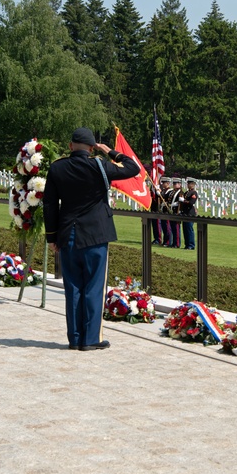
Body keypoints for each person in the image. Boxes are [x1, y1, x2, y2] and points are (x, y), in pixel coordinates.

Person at [45, 127, 140, 351]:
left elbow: (49, 204)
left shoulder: (57, 167)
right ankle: (90, 339)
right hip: (96, 235)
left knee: (73, 289)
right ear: (91, 147)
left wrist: (52, 236)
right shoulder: (100, 166)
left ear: (70, 146)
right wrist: (111, 152)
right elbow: (133, 168)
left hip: (67, 234)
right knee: (94, 288)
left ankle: (75, 338)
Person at [179, 178, 199, 250]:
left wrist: (183, 200)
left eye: (189, 184)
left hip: (190, 213)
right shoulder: (186, 193)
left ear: (193, 184)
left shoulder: (194, 193)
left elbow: (191, 202)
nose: (188, 185)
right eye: (188, 184)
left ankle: (191, 245)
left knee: (189, 229)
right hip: (185, 213)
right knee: (185, 229)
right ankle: (187, 244)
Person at [165, 178, 183, 248]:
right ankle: (173, 243)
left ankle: (177, 243)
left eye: (176, 184)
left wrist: (174, 204)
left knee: (176, 229)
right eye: (174, 184)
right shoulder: (173, 192)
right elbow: (169, 200)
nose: (174, 185)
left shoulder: (180, 192)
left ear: (179, 184)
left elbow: (180, 203)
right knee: (173, 228)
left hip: (177, 212)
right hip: (172, 212)